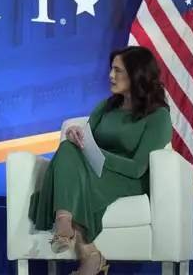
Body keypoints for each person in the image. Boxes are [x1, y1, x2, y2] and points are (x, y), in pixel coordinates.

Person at [28, 46, 173, 275]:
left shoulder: (158, 116)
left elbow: (138, 168)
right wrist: (76, 135)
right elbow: (85, 143)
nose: (110, 75)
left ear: (137, 74)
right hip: (92, 171)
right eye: (111, 69)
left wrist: (99, 156)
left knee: (73, 179)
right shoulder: (104, 108)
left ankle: (85, 250)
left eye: (117, 70)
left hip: (128, 178)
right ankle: (66, 226)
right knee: (67, 147)